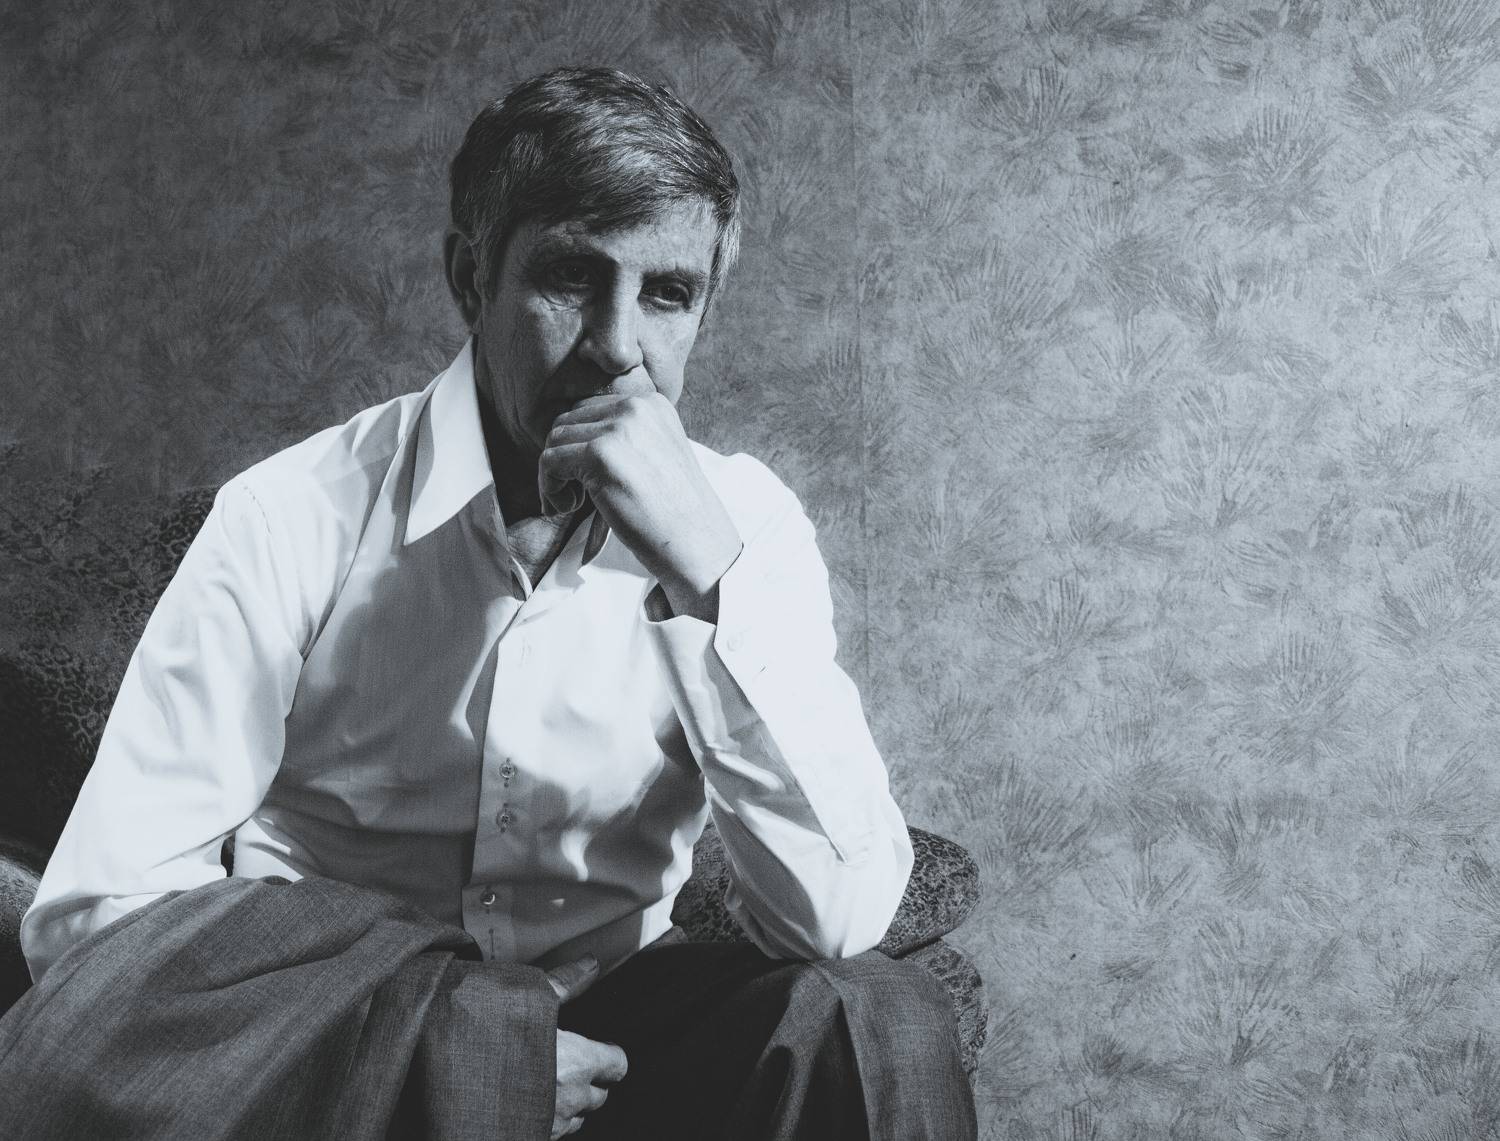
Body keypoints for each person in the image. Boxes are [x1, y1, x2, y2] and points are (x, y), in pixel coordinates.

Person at [16, 67, 976, 1139]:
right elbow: (104, 923)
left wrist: (710, 584)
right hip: (359, 1051)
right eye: (571, 276)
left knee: (877, 1015)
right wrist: (444, 1043)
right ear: (470, 277)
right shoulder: (292, 514)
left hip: (624, 1035)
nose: (618, 347)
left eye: (668, 294)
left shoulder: (744, 523)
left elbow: (836, 918)